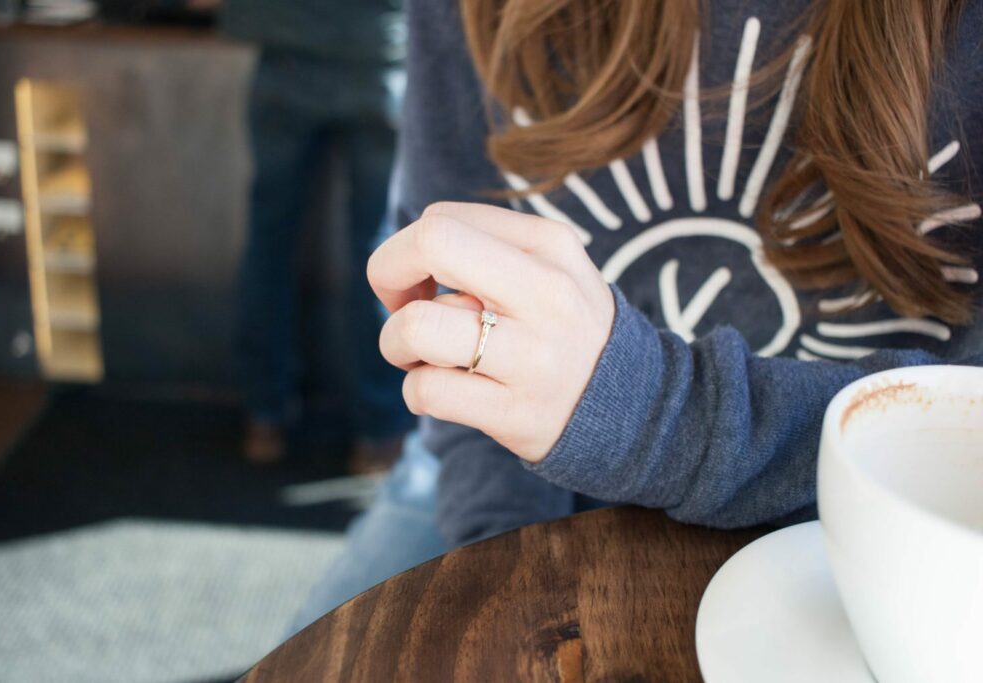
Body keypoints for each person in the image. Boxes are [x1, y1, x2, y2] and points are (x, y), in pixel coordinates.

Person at [290, 0, 983, 631]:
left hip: (886, 540)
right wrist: (507, 563)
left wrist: (653, 412)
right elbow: (457, 319)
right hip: (507, 483)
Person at [224, 0, 414, 466]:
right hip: (380, 55)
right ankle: (380, 432)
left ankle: (264, 415)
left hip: (283, 44)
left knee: (270, 239)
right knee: (381, 251)